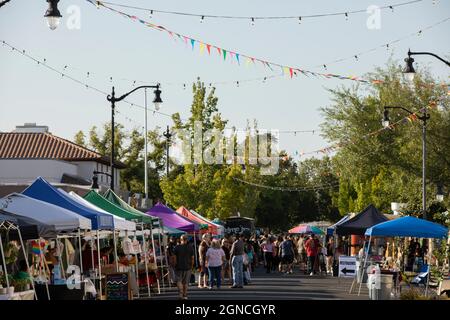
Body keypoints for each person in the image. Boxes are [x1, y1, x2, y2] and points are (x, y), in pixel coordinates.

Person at [173, 235, 194, 300]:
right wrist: (192, 266)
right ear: (187, 240)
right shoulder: (190, 247)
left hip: (178, 266)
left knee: (179, 281)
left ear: (180, 239)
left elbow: (174, 258)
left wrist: (174, 264)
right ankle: (185, 295)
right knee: (186, 282)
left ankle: (180, 294)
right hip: (188, 266)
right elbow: (192, 258)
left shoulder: (177, 247)